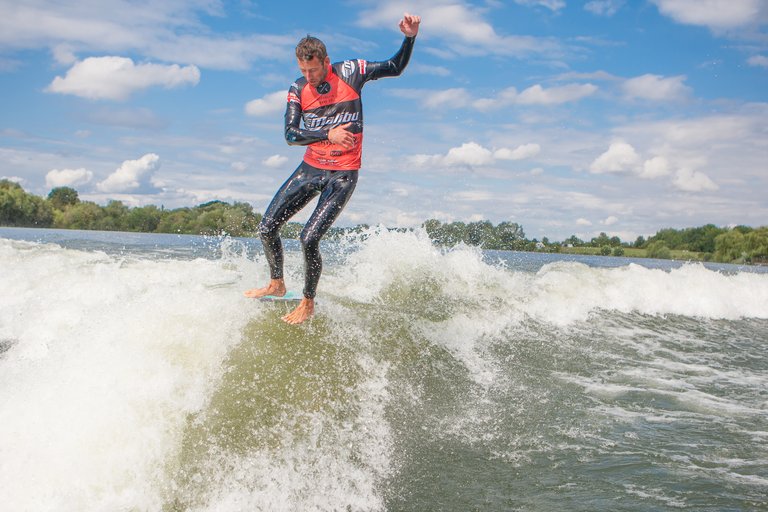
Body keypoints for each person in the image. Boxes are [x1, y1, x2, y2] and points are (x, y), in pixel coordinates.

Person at [244, 13, 421, 324]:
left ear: (326, 61)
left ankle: (308, 302)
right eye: (303, 70)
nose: (309, 75)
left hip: (342, 174)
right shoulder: (298, 89)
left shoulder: (352, 72)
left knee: (308, 238)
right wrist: (328, 134)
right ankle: (276, 282)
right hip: (310, 169)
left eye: (313, 69)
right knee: (266, 227)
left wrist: (409, 38)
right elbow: (290, 135)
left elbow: (395, 67)